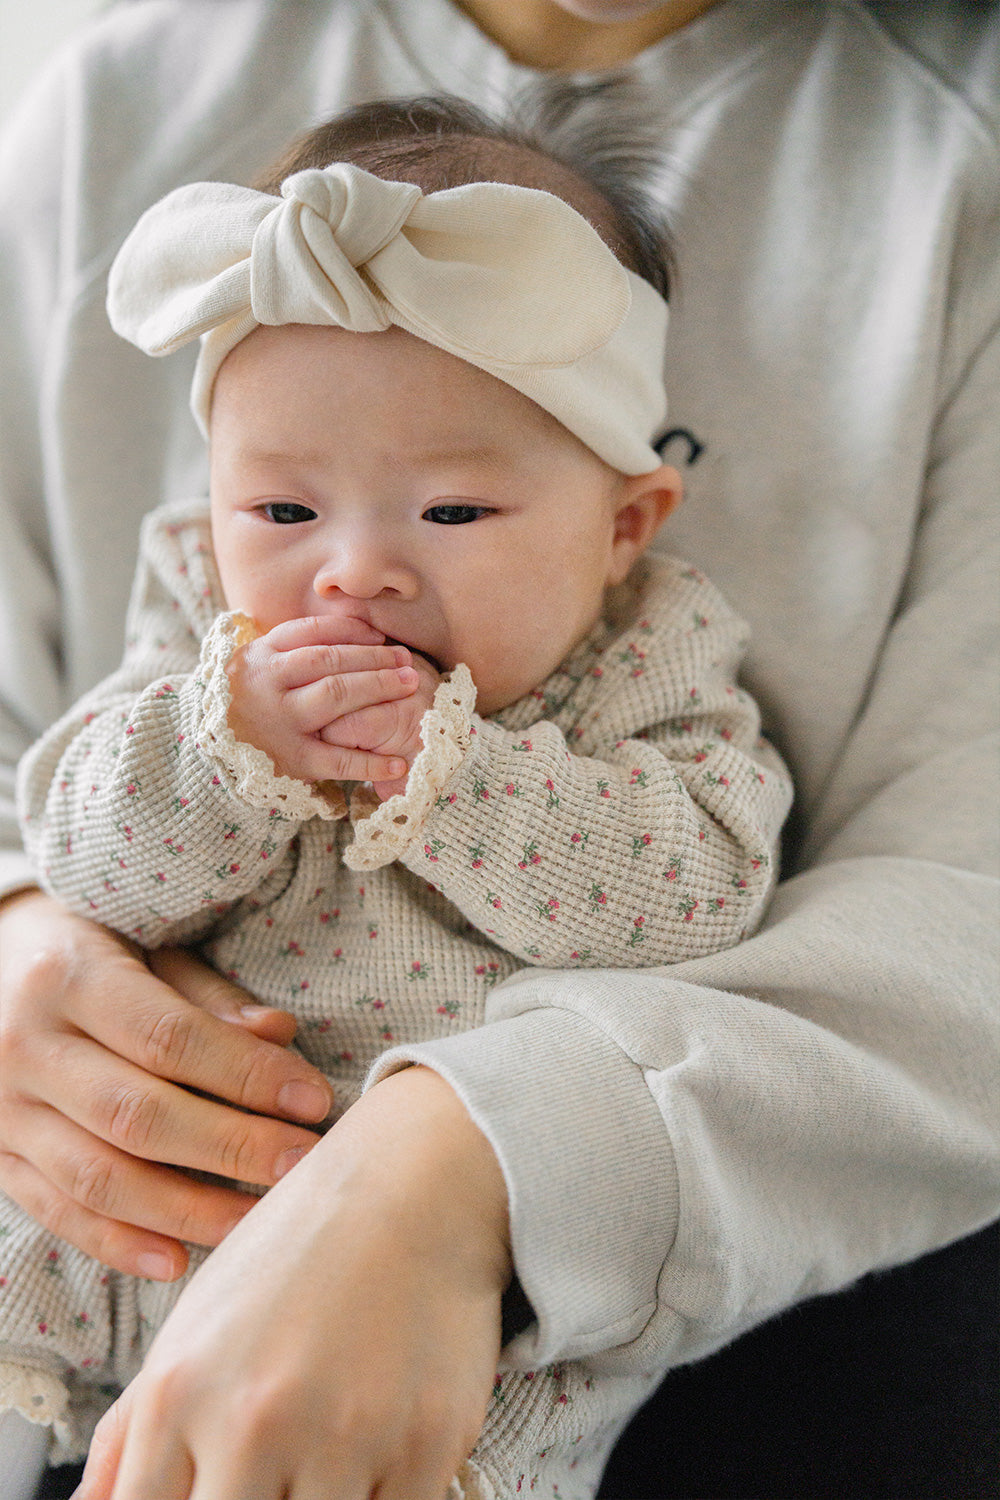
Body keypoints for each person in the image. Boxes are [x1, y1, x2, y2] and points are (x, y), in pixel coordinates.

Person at [0, 2, 995, 1498]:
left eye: (452, 516)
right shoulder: (206, 636)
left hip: (553, 1313)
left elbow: (694, 897)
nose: (351, 576)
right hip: (134, 1230)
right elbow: (73, 828)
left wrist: (457, 786)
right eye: (280, 513)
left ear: (626, 529)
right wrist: (179, 793)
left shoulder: (650, 669)